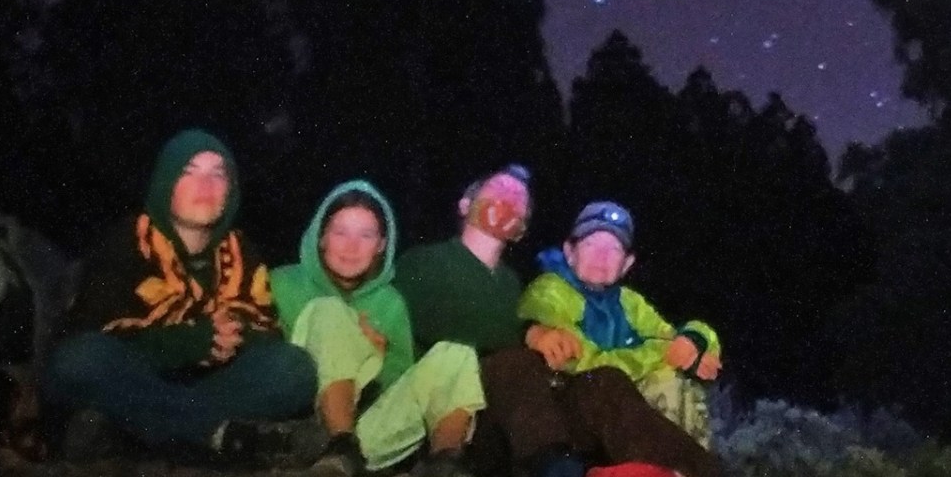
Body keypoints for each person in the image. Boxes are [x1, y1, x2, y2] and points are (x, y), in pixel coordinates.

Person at [393, 167, 722, 477]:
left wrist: (693, 340)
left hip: (535, 420)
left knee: (605, 381)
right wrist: (529, 332)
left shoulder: (509, 283)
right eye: (498, 191)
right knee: (513, 363)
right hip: (468, 421)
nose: (508, 202)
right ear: (465, 204)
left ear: (523, 226)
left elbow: (667, 335)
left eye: (519, 200)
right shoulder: (423, 262)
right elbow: (444, 325)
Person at [44, 128, 316, 461]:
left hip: (206, 389)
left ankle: (143, 435)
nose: (206, 186)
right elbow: (93, 332)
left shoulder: (242, 252)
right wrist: (190, 342)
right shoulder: (128, 243)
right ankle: (210, 435)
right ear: (165, 184)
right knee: (79, 360)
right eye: (189, 173)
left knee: (294, 369)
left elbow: (266, 333)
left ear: (231, 191)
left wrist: (232, 336)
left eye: (218, 175)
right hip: (139, 378)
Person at [272, 180, 486, 477]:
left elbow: (399, 384)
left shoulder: (390, 302)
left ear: (381, 245)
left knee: (457, 353)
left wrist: (377, 358)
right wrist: (353, 346)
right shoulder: (283, 284)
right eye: (340, 232)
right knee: (330, 310)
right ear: (321, 237)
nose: (352, 246)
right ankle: (339, 449)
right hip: (310, 432)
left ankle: (445, 464)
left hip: (369, 438)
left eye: (366, 234)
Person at [518, 201, 720, 446]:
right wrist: (669, 354)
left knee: (673, 383)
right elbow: (585, 364)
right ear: (570, 253)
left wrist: (693, 341)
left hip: (618, 410)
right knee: (664, 380)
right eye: (591, 244)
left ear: (626, 264)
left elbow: (673, 335)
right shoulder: (548, 292)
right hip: (570, 414)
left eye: (614, 249)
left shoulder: (628, 301)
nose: (601, 257)